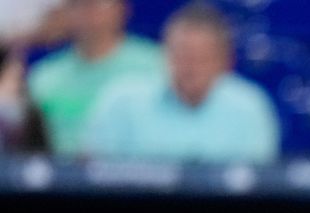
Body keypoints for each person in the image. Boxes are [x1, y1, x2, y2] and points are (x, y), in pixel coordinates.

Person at [81, 1, 280, 163]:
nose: (190, 67)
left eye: (202, 57)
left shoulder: (249, 107)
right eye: (182, 55)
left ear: (224, 61)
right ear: (164, 52)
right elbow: (91, 176)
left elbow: (258, 186)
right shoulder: (121, 102)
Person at [28, 0, 164, 156]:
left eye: (97, 4)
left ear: (121, 9)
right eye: (78, 5)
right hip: (62, 174)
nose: (88, 12)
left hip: (135, 172)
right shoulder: (44, 76)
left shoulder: (155, 65)